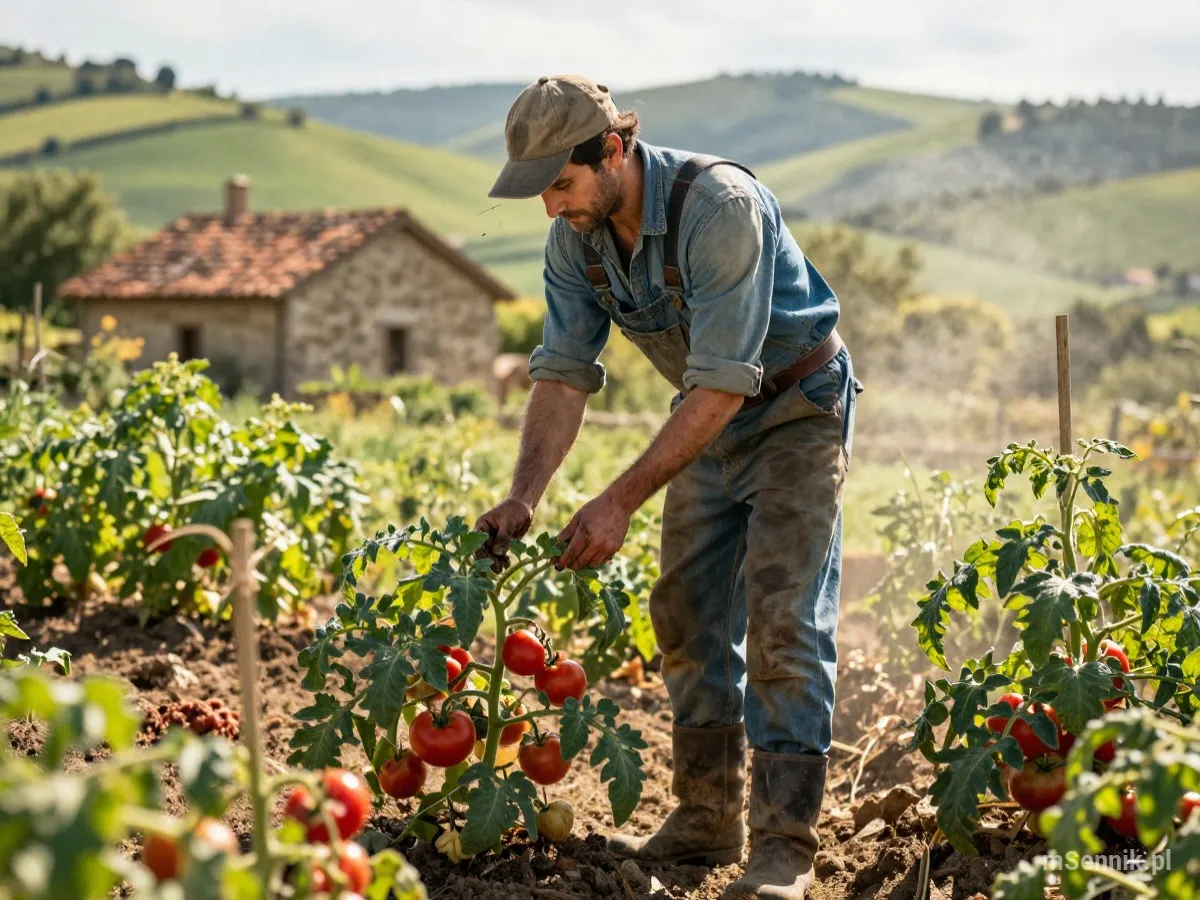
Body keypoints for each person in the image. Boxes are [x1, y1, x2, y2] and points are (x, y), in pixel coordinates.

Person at [474, 74, 861, 900]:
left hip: (794, 410)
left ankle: (785, 845)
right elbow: (563, 374)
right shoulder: (573, 238)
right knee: (684, 614)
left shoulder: (719, 207)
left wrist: (617, 498)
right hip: (708, 418)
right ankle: (705, 819)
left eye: (563, 184)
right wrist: (526, 495)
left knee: (783, 618)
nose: (552, 208)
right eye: (540, 191)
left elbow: (724, 383)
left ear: (612, 149)